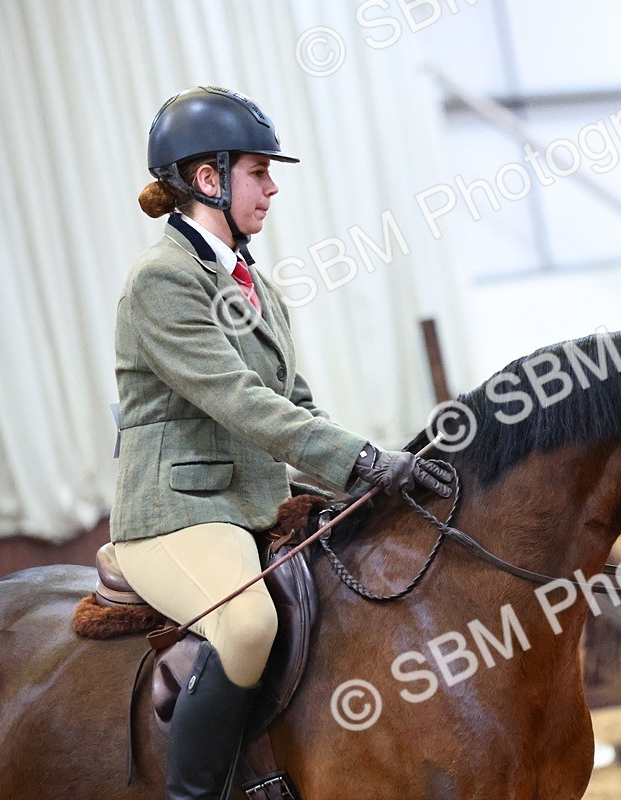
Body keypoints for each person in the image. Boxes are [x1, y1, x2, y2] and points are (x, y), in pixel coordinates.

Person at [111, 85, 448, 800]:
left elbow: (294, 403)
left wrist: (369, 472)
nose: (271, 190)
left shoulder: (256, 284)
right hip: (178, 513)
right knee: (247, 624)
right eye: (259, 173)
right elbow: (240, 402)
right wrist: (360, 459)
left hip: (253, 501)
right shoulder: (162, 281)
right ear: (210, 179)